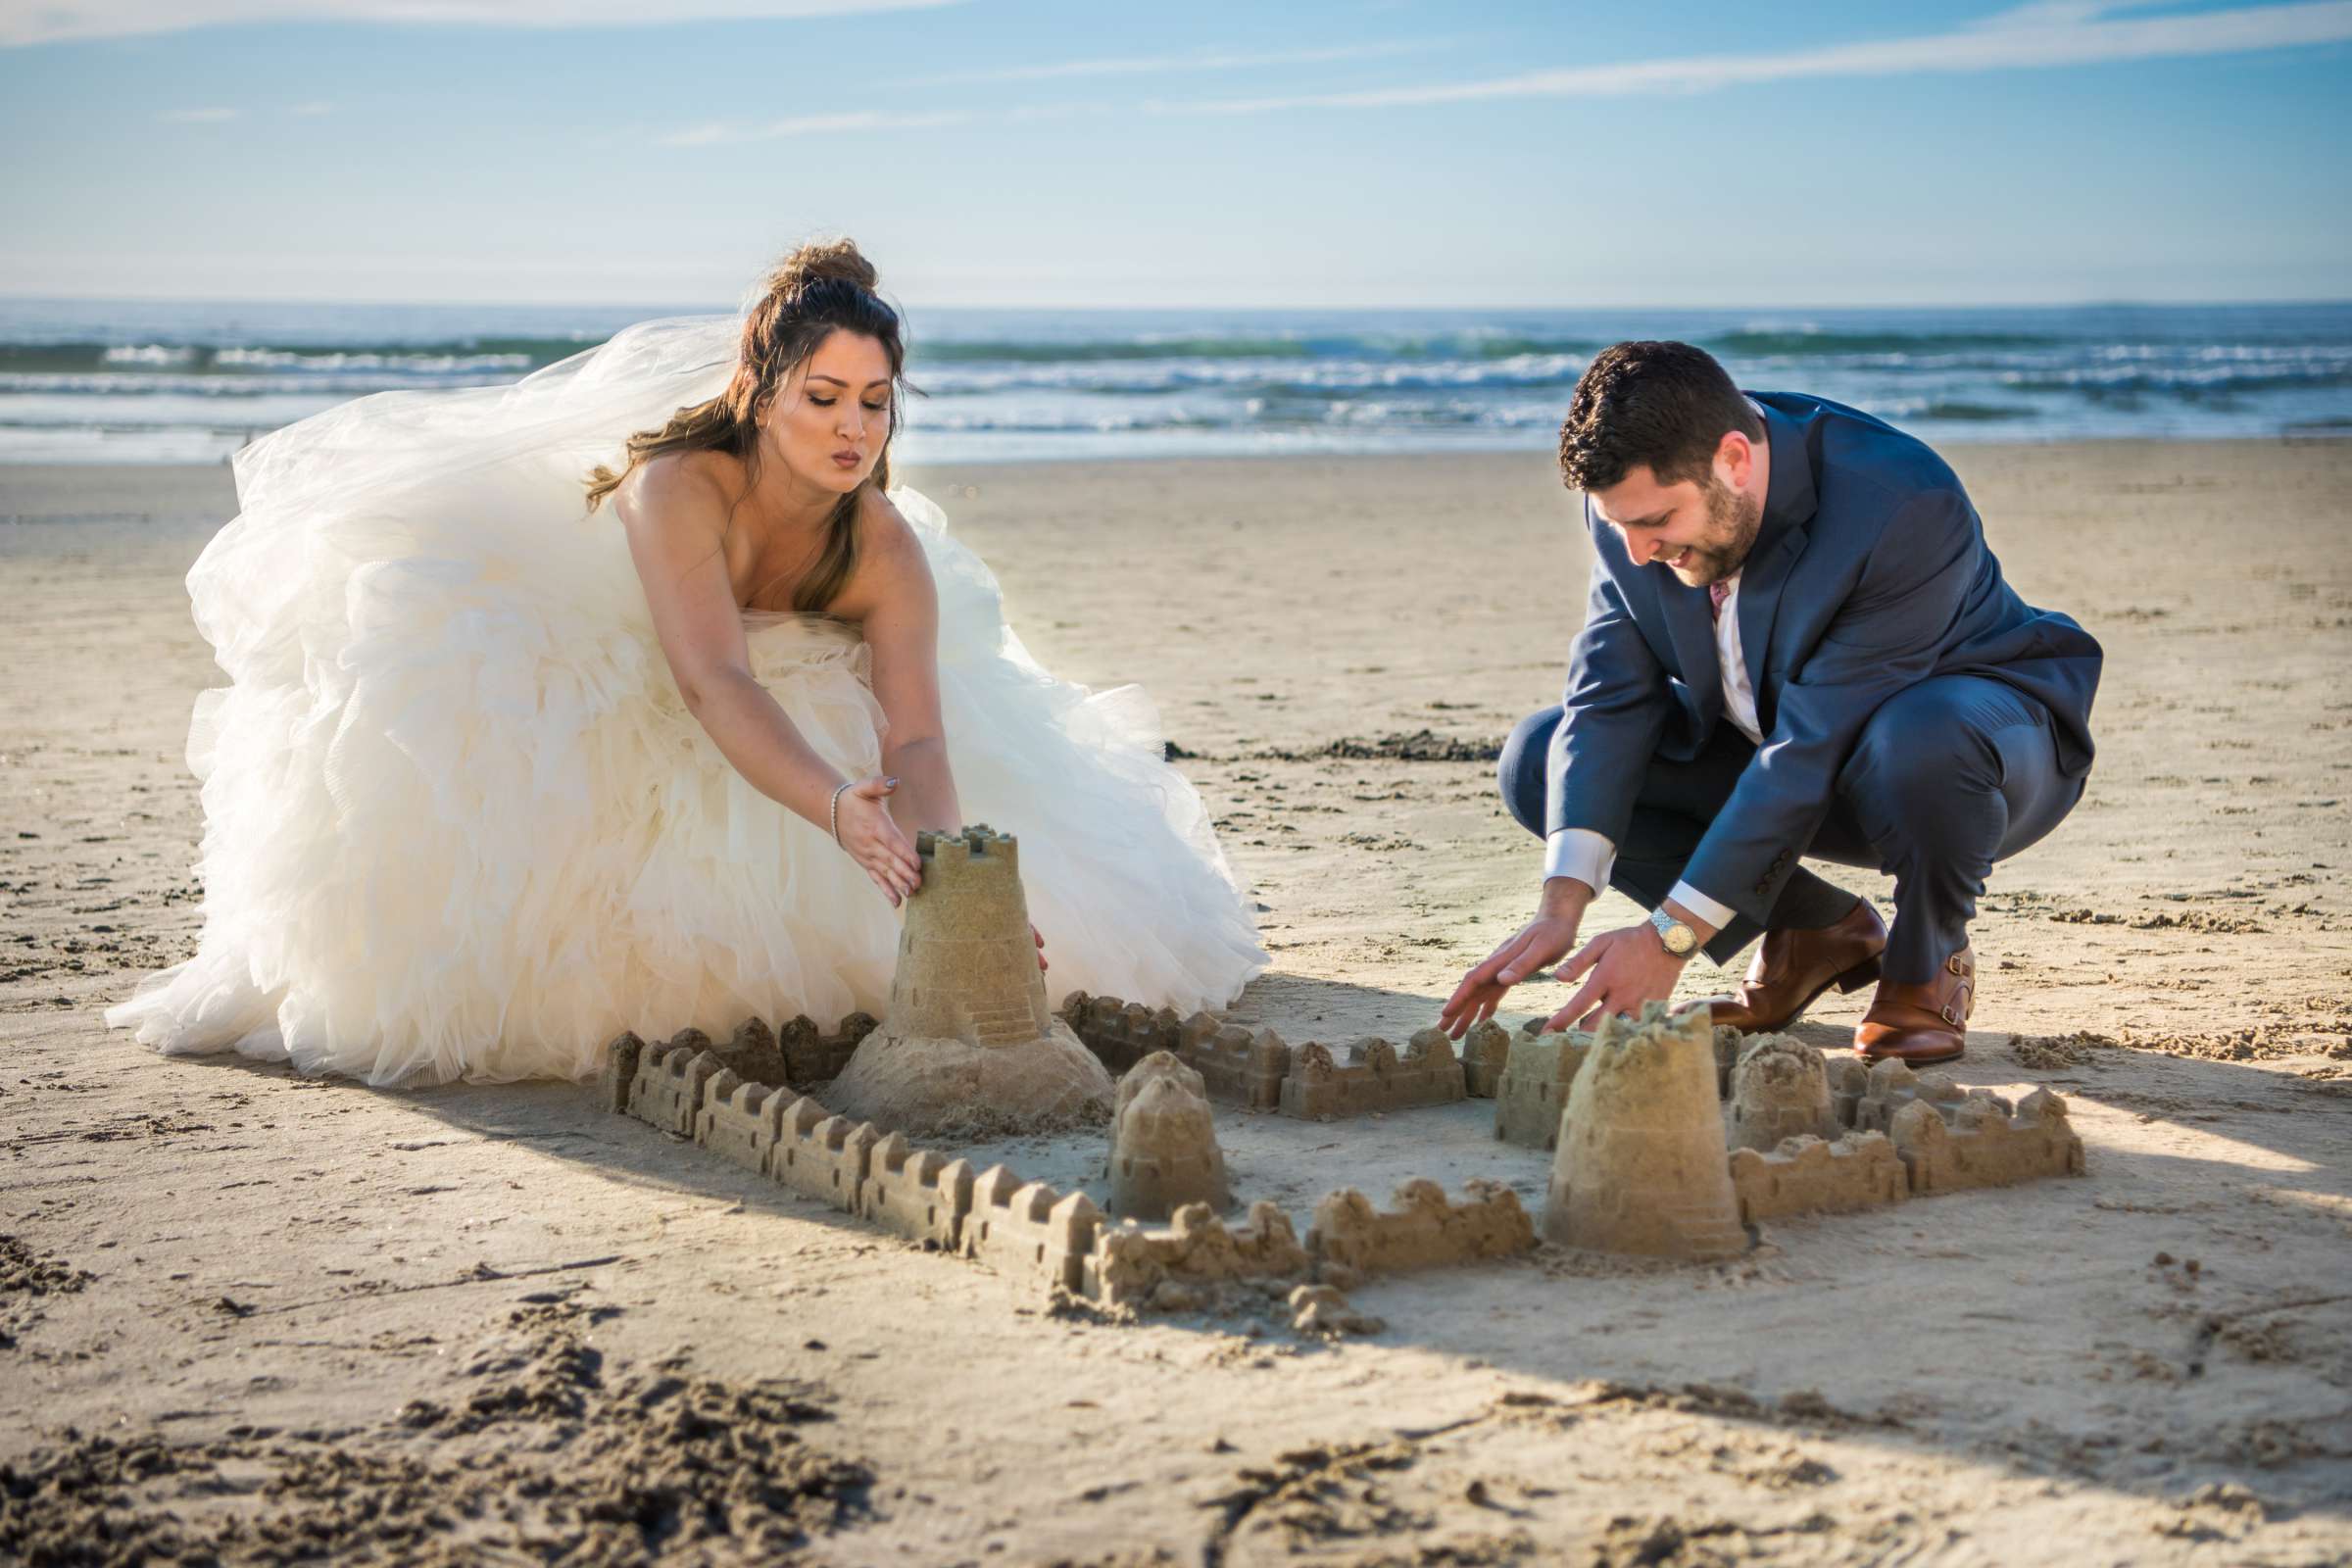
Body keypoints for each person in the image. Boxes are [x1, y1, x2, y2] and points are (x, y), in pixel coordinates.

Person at [108, 241, 1265, 1085]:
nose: (851, 428)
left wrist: (952, 873)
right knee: (466, 680)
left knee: (929, 831)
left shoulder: (884, 549)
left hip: (772, 674)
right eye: (821, 398)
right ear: (760, 394)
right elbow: (716, 680)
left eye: (872, 401)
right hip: (634, 640)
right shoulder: (679, 485)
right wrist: (833, 806)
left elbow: (915, 735)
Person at [1442, 341, 2101, 1064]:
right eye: (1620, 526)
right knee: (1539, 756)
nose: (1635, 552)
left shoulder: (1902, 502)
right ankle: (1817, 930)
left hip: (1974, 759)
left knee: (1921, 736)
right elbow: (1608, 700)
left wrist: (1670, 938)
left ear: (1734, 460)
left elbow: (1810, 744)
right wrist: (1561, 905)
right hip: (1790, 752)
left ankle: (1926, 961)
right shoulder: (1632, 518)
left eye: (1656, 521)